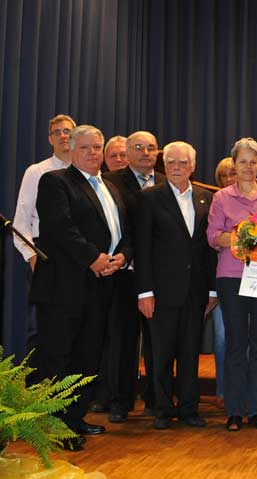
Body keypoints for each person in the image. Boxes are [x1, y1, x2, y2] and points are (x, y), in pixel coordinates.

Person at [30, 125, 132, 451]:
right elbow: (61, 229)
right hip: (64, 288)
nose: (93, 153)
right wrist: (93, 259)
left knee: (88, 358)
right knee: (59, 358)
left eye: (97, 147)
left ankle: (75, 418)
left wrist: (121, 257)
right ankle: (56, 427)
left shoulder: (111, 187)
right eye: (86, 147)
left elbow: (124, 231)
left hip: (101, 286)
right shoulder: (55, 182)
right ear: (71, 150)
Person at [206, 138, 257, 431]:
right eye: (243, 162)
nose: (248, 167)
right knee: (236, 344)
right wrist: (246, 235)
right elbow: (214, 237)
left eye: (253, 161)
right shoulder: (221, 198)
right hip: (231, 276)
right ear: (234, 164)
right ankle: (234, 410)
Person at [136, 141, 216, 430]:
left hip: (196, 293)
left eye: (183, 163)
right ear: (164, 166)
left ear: (193, 167)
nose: (177, 168)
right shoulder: (149, 198)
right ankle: (162, 409)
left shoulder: (207, 198)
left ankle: (189, 408)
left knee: (190, 353)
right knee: (161, 354)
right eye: (171, 163)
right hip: (161, 292)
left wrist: (212, 290)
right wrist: (144, 291)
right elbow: (142, 249)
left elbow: (208, 250)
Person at [101, 131, 166, 420]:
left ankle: (156, 398)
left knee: (158, 341)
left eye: (151, 148)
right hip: (124, 273)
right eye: (138, 148)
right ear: (128, 152)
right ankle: (120, 401)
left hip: (159, 275)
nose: (145, 152)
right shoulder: (110, 182)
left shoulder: (167, 182)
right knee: (123, 339)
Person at [12, 114, 76, 351]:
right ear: (50, 139)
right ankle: (39, 386)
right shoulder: (36, 171)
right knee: (44, 327)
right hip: (45, 253)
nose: (62, 136)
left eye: (67, 131)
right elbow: (21, 221)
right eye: (57, 132)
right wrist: (32, 256)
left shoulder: (86, 172)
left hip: (79, 255)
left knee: (76, 326)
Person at [209, 156, 236, 409]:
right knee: (221, 338)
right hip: (220, 280)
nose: (228, 179)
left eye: (232, 174)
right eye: (223, 176)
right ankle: (222, 389)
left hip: (249, 279)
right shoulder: (214, 204)